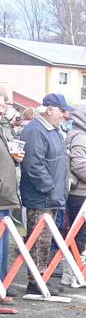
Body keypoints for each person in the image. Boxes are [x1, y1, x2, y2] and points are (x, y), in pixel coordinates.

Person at [19, 93, 73, 295]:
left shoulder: (53, 131)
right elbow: (33, 165)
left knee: (45, 241)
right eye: (62, 110)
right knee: (38, 240)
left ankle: (41, 277)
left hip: (53, 194)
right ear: (49, 109)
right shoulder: (35, 131)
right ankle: (35, 280)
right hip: (41, 196)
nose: (65, 115)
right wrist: (49, 187)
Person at [62, 104, 86, 287]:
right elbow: (79, 165)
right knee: (80, 235)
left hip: (82, 191)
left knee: (77, 234)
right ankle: (78, 273)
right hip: (81, 192)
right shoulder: (80, 137)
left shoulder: (79, 136)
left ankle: (70, 274)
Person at [0, 89, 24, 298]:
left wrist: (15, 158)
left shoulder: (5, 128)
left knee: (5, 242)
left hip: (6, 191)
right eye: (0, 105)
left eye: (4, 105)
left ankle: (3, 281)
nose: (3, 109)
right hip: (2, 190)